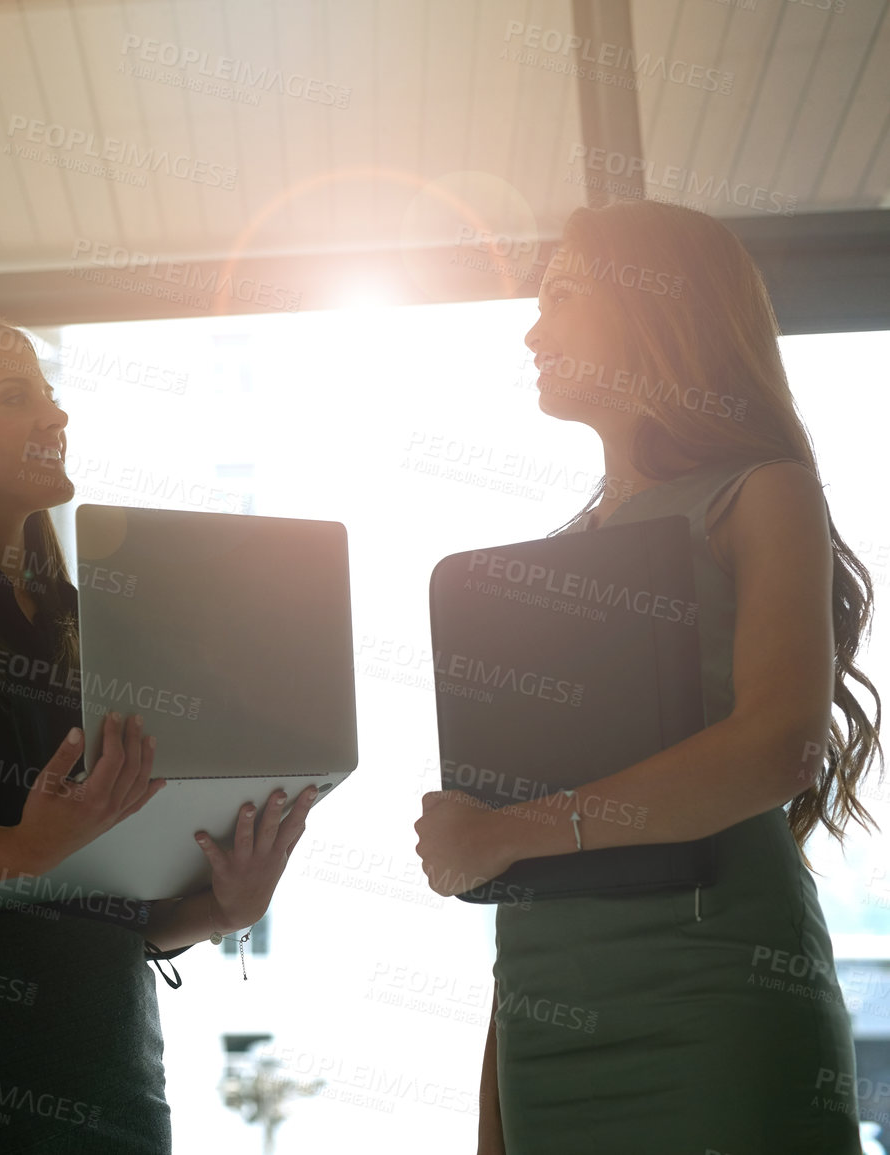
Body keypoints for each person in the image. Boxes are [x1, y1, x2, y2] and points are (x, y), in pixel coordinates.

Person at [413, 201, 882, 1154]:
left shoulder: (761, 492)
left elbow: (777, 748)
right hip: (546, 1023)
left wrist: (502, 832)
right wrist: (493, 1112)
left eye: (562, 295)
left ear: (654, 309)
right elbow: (517, 862)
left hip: (720, 999)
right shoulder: (541, 568)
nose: (533, 329)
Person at [0, 310, 316, 1152]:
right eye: (13, 396)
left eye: (49, 392)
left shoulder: (92, 622)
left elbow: (116, 907)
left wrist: (219, 907)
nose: (56, 416)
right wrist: (20, 847)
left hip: (110, 1062)